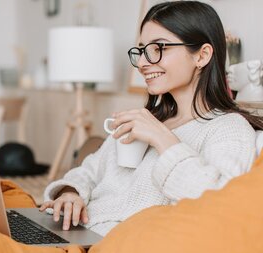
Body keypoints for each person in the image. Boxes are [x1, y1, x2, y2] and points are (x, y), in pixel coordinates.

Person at [39, 0, 263, 237]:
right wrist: (71, 193)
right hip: (75, 231)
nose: (144, 63)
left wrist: (163, 139)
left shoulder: (228, 128)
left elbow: (220, 203)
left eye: (159, 49)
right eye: (143, 50)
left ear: (202, 55)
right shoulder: (147, 119)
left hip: (114, 247)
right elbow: (89, 170)